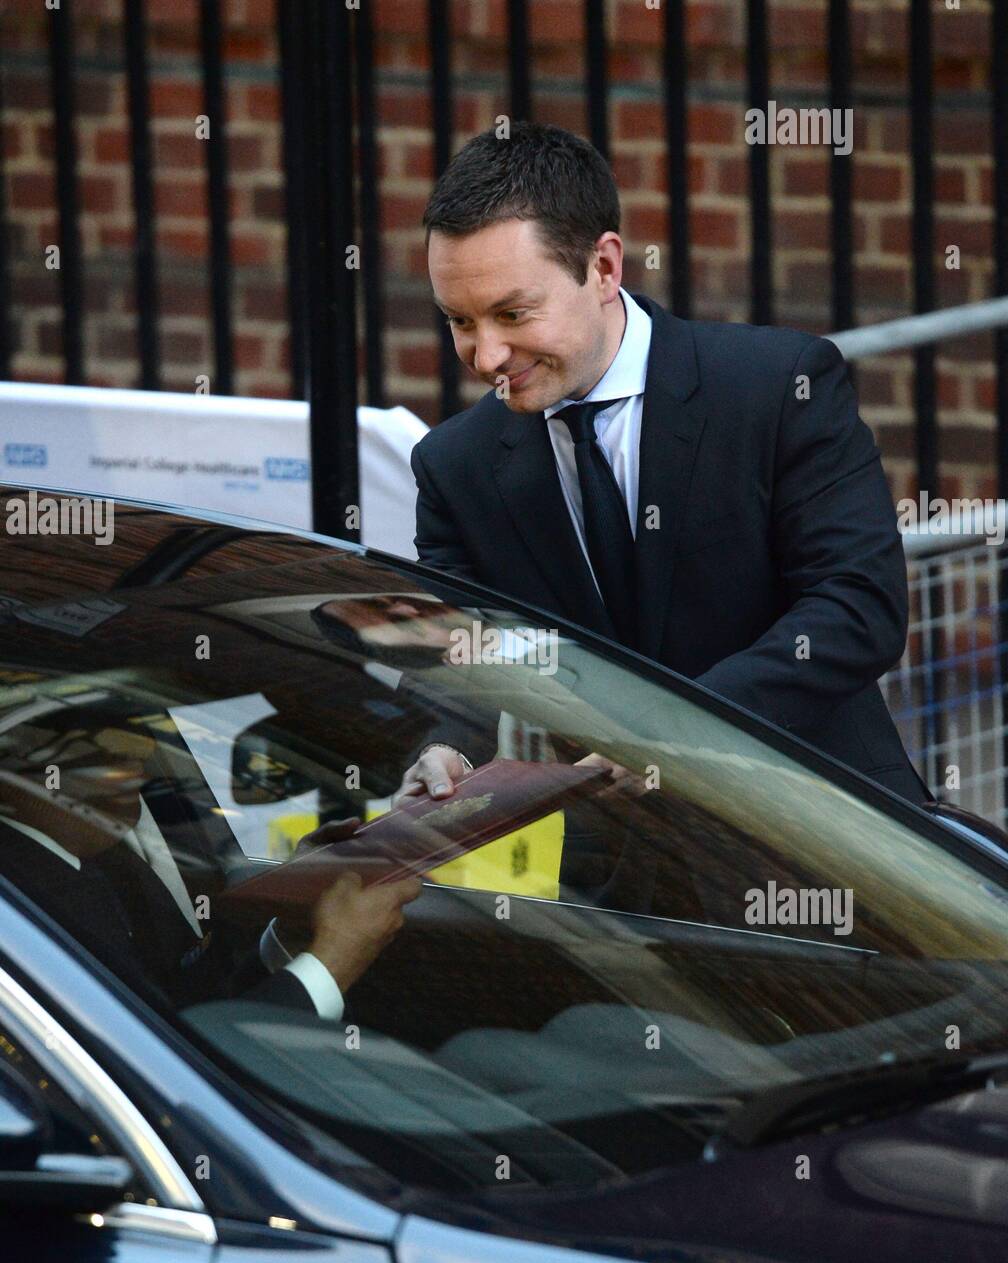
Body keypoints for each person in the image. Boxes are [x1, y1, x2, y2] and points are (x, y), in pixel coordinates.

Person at [401, 121, 930, 809]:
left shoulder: (777, 386)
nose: (488, 356)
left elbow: (861, 607)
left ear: (604, 268)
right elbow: (465, 659)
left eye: (513, 313)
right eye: (460, 322)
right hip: (618, 883)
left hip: (827, 831)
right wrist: (443, 745)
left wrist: (675, 729)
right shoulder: (454, 466)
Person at [0, 705, 419, 1016]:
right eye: (86, 735)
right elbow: (160, 1078)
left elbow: (192, 1007)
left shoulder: (110, 860)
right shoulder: (21, 906)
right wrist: (334, 962)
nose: (138, 756)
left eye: (131, 730)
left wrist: (293, 916)